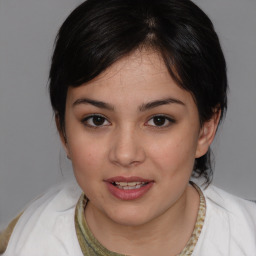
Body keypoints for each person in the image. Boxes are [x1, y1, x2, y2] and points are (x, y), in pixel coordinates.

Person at [0, 0, 255, 255]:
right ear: (63, 131)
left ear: (205, 130)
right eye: (97, 120)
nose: (125, 154)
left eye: (159, 120)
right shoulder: (21, 243)